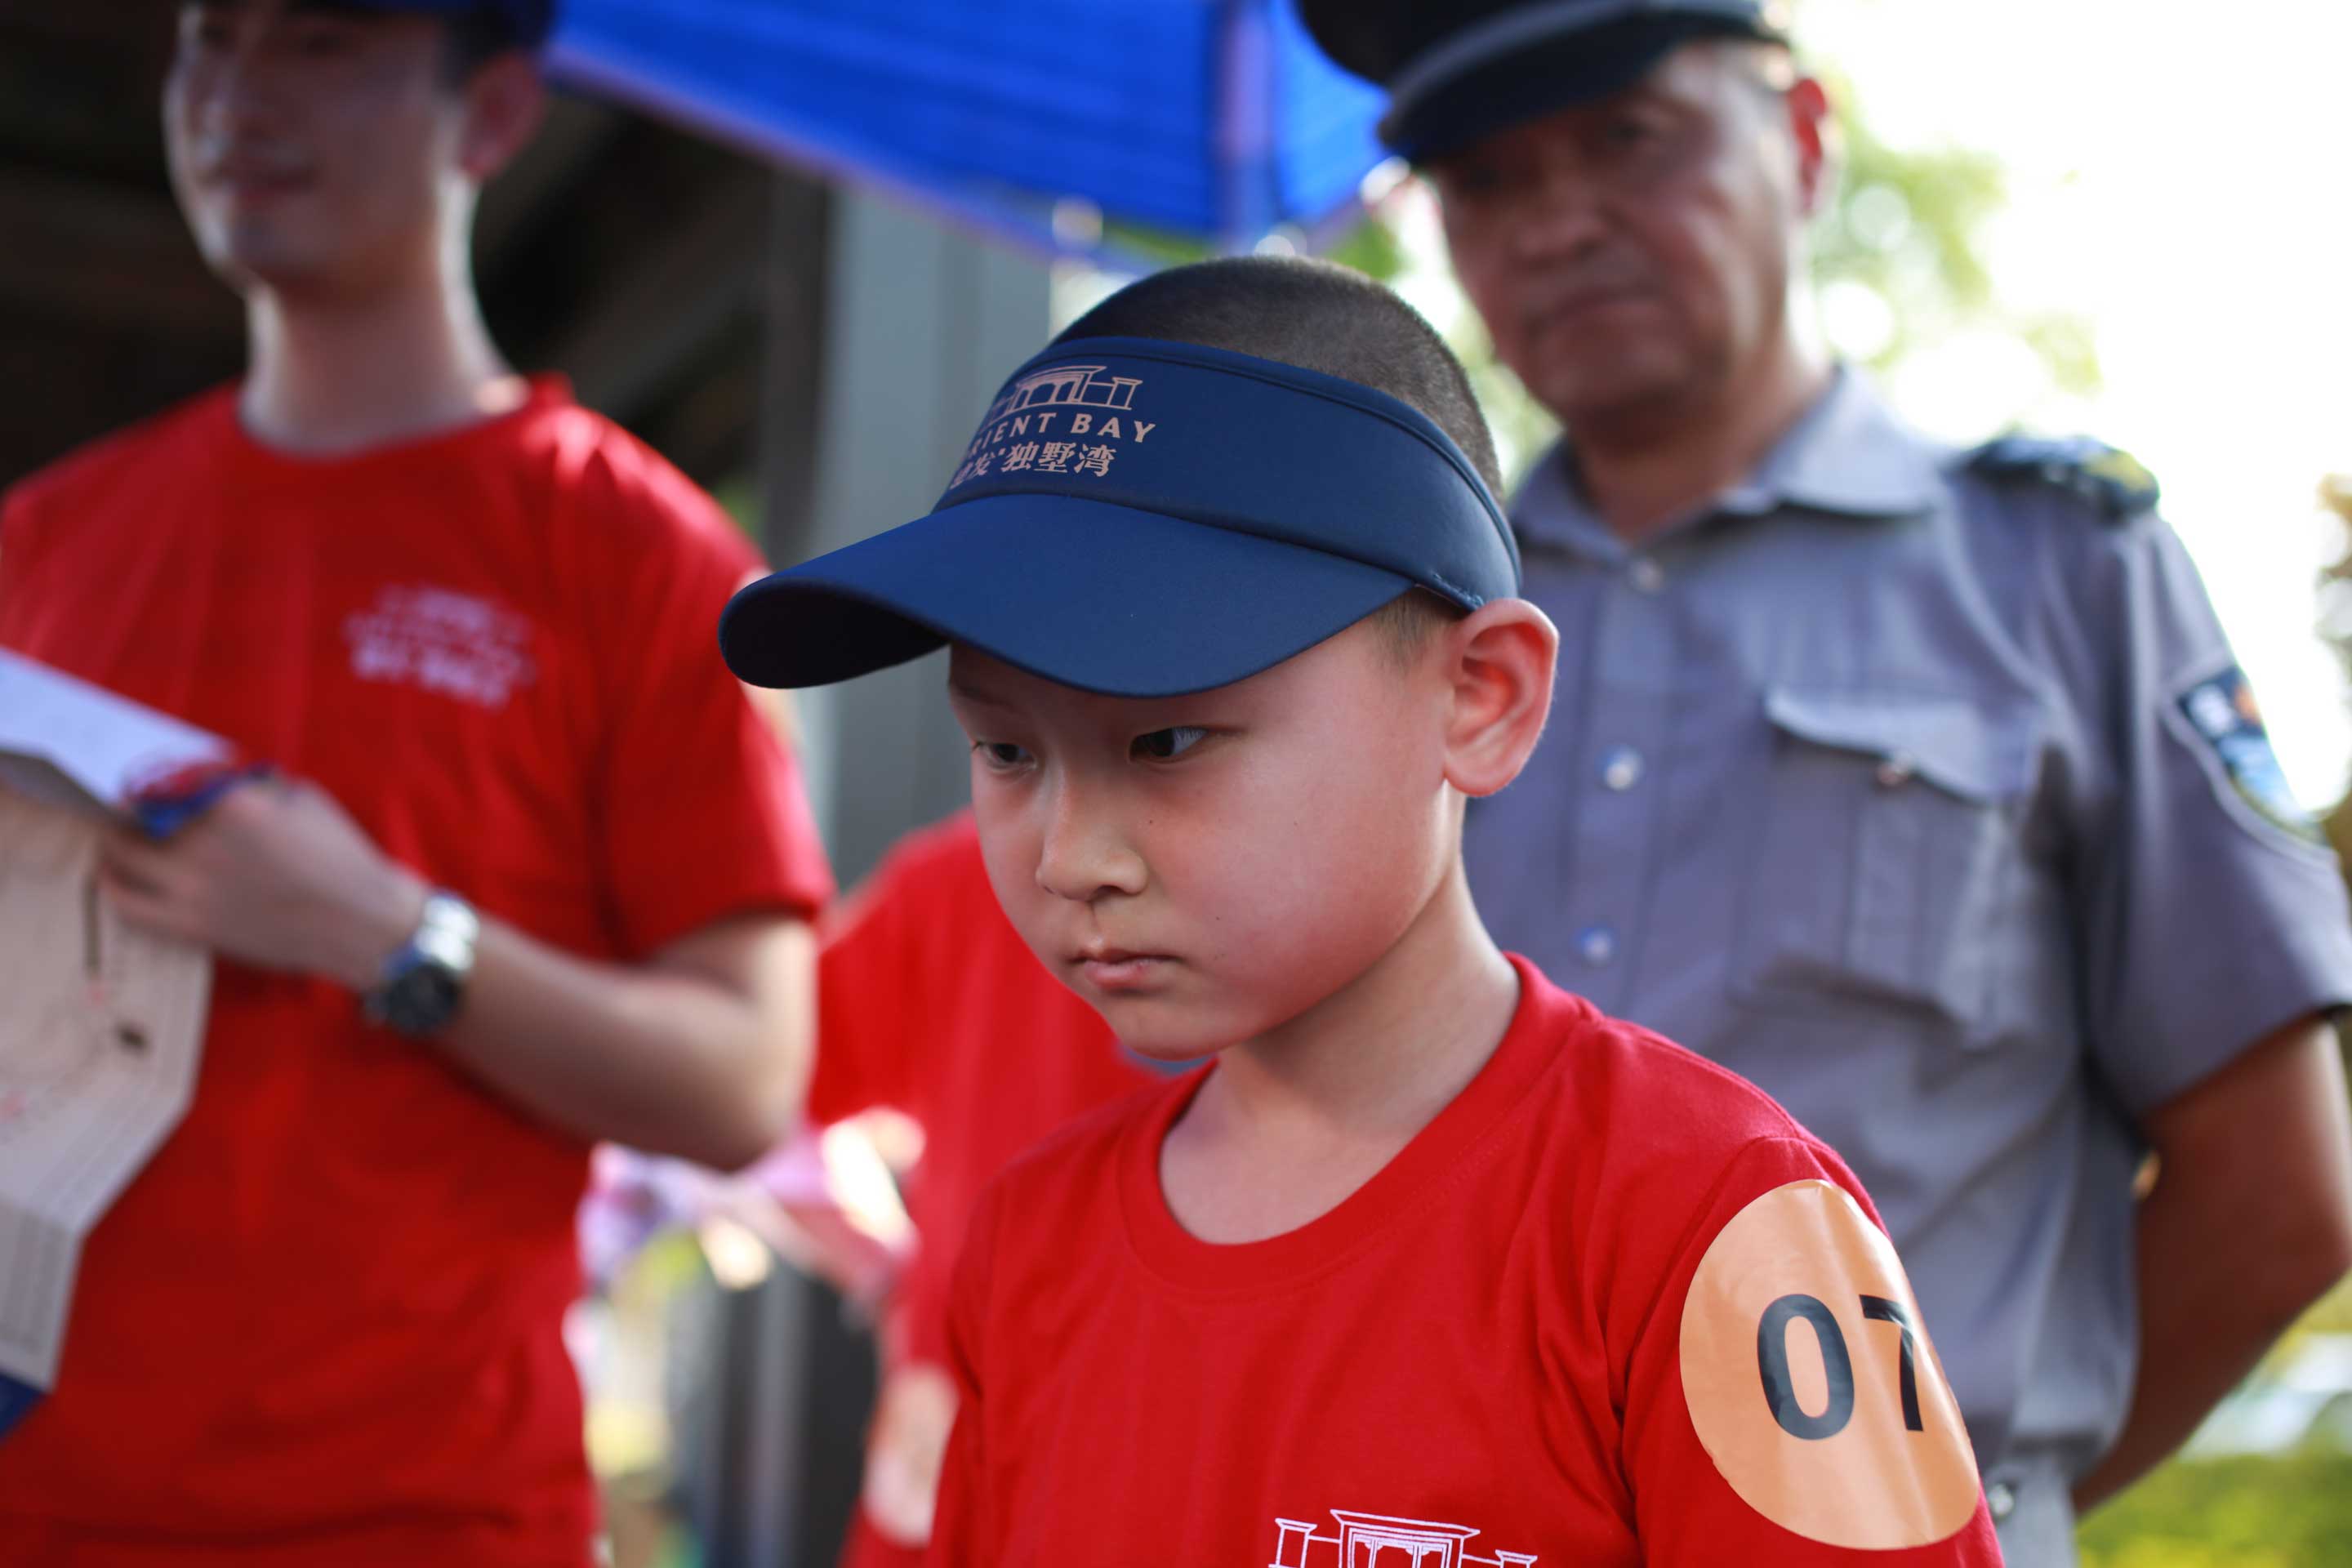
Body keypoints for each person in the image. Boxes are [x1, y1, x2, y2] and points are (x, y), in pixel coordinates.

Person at [718, 253, 2004, 1566]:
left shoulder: (1707, 1219)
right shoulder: (1024, 1249)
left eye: (1167, 742)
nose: (1070, 855)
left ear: (1481, 698)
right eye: (1007, 751)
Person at [1295, 2, 2352, 1561]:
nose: (1558, 224)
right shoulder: (1390, 638)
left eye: (1627, 139)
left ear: (1798, 143)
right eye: (1487, 181)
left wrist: (1952, 1504)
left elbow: (2277, 1200)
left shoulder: (2056, 573)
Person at [0, 2, 831, 1562]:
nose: (238, 95)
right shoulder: (41, 543)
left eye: (319, 40)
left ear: (495, 111)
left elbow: (742, 1084)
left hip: (424, 1512)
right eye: (211, 38)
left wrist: (392, 931)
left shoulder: (636, 554)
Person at [805, 809, 1153, 1567]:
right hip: (961, 1481)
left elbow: (751, 1085)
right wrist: (889, 1281)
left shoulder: (962, 872)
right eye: (1004, 755)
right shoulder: (958, 879)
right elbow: (749, 1084)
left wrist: (887, 1278)